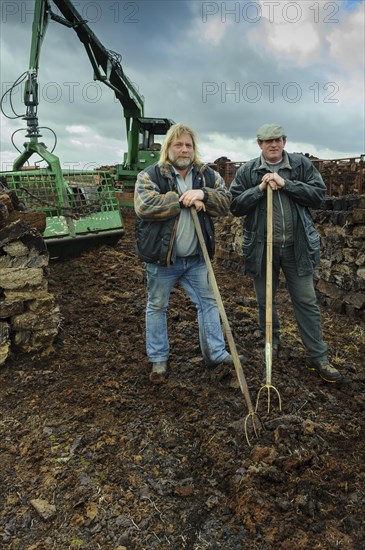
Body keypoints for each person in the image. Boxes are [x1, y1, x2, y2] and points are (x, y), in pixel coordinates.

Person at [229, 123, 341, 383]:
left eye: (277, 140)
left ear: (284, 141)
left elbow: (318, 196)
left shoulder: (300, 166)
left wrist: (285, 183)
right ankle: (272, 345)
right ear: (259, 144)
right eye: (267, 141)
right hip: (262, 249)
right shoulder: (247, 171)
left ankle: (317, 356)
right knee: (265, 301)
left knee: (306, 301)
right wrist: (258, 189)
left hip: (296, 247)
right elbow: (235, 205)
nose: (273, 145)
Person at [134, 123, 245, 377]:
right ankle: (158, 358)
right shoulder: (150, 175)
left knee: (209, 303)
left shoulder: (207, 176)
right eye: (178, 144)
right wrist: (182, 199)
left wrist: (203, 195)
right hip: (162, 260)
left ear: (193, 149)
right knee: (157, 306)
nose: (184, 150)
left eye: (188, 145)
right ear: (168, 148)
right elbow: (145, 206)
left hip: (197, 258)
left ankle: (215, 353)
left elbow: (226, 201)